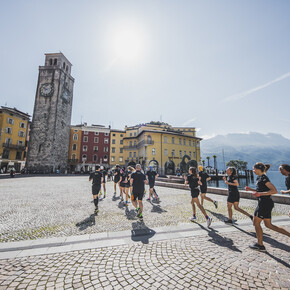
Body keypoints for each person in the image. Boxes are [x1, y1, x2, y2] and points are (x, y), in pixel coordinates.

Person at [245, 162, 290, 251]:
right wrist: (251, 189)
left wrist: (260, 194)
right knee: (269, 225)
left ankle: (260, 244)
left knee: (256, 222)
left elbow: (274, 191)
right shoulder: (259, 178)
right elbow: (260, 190)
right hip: (266, 203)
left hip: (264, 204)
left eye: (254, 169)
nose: (253, 171)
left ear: (258, 169)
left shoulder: (264, 178)